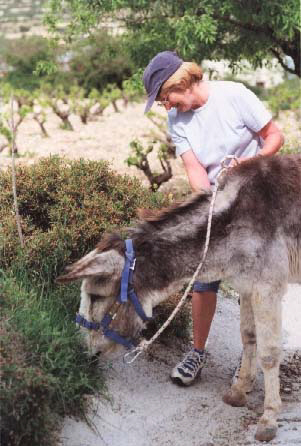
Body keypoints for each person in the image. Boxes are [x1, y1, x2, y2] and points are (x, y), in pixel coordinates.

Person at [142, 50, 284, 386]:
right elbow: (194, 169)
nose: (166, 106)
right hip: (216, 201)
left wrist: (248, 167)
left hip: (256, 197)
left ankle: (248, 355)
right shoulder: (177, 121)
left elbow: (275, 136)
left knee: (251, 279)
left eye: (165, 98)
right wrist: (209, 205)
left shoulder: (234, 95)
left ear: (181, 82)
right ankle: (197, 351)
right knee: (204, 277)